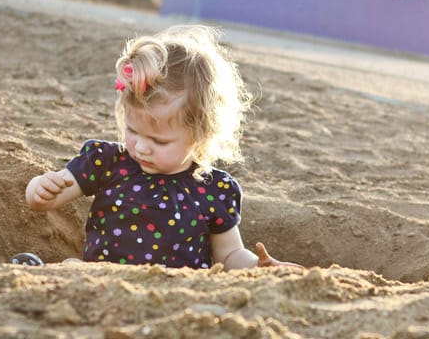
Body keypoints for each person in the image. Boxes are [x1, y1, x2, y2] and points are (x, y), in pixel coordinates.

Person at [18, 25, 302, 270]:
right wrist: (39, 189)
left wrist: (256, 266)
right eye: (132, 130)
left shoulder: (214, 189)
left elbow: (229, 255)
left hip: (172, 291)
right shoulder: (106, 161)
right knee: (68, 269)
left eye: (160, 141)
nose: (141, 147)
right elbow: (46, 198)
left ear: (201, 134)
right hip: (100, 279)